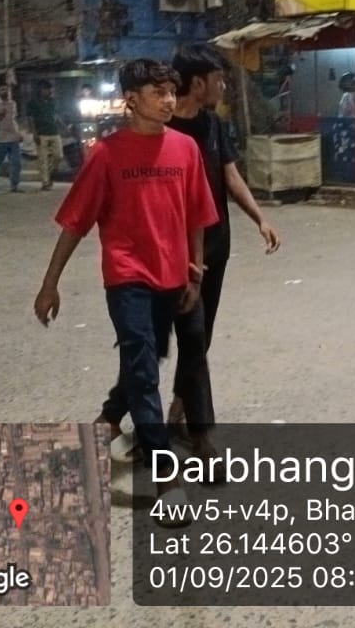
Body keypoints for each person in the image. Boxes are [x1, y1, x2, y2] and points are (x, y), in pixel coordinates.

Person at [33, 58, 217, 519]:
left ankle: (107, 421)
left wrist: (194, 270)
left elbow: (198, 212)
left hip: (173, 275)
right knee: (142, 368)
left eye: (171, 91)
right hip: (127, 275)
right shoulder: (107, 155)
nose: (169, 100)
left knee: (147, 362)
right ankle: (165, 475)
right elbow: (76, 223)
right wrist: (49, 282)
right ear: (131, 100)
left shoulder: (185, 149)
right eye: (158, 92)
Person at [156, 45, 281, 445]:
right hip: (170, 252)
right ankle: (163, 425)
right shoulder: (162, 131)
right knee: (163, 339)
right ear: (197, 83)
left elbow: (230, 176)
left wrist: (260, 218)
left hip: (214, 247)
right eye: (218, 80)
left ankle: (179, 414)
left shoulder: (212, 124)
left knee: (199, 337)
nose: (224, 86)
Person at [27, 80, 63, 190]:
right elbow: (31, 119)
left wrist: (64, 126)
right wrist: (34, 133)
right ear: (41, 90)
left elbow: (56, 115)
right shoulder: (33, 102)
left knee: (59, 156)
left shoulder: (53, 101)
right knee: (43, 159)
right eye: (47, 89)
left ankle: (50, 174)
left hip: (54, 132)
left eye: (50, 89)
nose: (50, 91)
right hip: (41, 133)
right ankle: (45, 182)